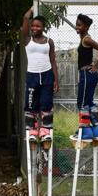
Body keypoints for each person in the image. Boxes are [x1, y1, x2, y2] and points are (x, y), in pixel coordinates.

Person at [21, 8, 59, 145]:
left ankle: (45, 131)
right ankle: (31, 131)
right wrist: (29, 12)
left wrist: (56, 79)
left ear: (43, 27)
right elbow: (25, 20)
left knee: (46, 103)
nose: (34, 28)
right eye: (33, 26)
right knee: (31, 103)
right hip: (32, 75)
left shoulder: (49, 41)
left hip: (47, 74)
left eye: (38, 26)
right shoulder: (27, 39)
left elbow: (53, 60)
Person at [72, 13, 98, 146]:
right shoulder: (84, 38)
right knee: (89, 102)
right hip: (88, 74)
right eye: (76, 24)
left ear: (86, 27)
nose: (77, 27)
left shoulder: (86, 39)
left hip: (87, 74)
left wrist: (96, 66)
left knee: (81, 102)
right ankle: (97, 129)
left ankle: (85, 130)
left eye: (79, 25)